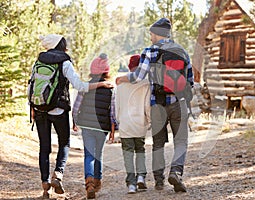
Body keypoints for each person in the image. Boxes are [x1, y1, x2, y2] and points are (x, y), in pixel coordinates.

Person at [116, 18, 194, 193]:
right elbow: (190, 80)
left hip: (157, 104)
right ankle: (176, 172)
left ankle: (159, 181)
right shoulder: (181, 51)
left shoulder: (149, 51)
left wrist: (122, 78)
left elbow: (138, 76)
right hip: (178, 103)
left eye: (151, 33)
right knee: (181, 141)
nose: (150, 36)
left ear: (157, 33)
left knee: (158, 143)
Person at [31, 34, 113, 199]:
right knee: (64, 143)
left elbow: (31, 84)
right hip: (59, 109)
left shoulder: (38, 61)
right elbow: (80, 86)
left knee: (44, 147)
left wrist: (32, 107)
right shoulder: (65, 63)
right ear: (61, 46)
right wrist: (101, 84)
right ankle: (58, 175)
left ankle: (45, 185)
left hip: (39, 109)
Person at [72, 53, 117, 199]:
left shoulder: (85, 87)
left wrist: (74, 121)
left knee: (89, 155)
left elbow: (76, 107)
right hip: (103, 127)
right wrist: (112, 129)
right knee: (99, 154)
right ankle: (97, 181)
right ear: (106, 71)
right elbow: (113, 112)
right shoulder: (110, 89)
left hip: (87, 126)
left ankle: (89, 182)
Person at [113, 55, 150, 194]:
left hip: (125, 123)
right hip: (139, 122)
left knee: (128, 154)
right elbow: (147, 105)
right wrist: (149, 120)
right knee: (140, 150)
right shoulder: (145, 83)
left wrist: (119, 121)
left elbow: (117, 106)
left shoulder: (120, 83)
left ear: (129, 66)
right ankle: (141, 176)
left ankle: (131, 184)